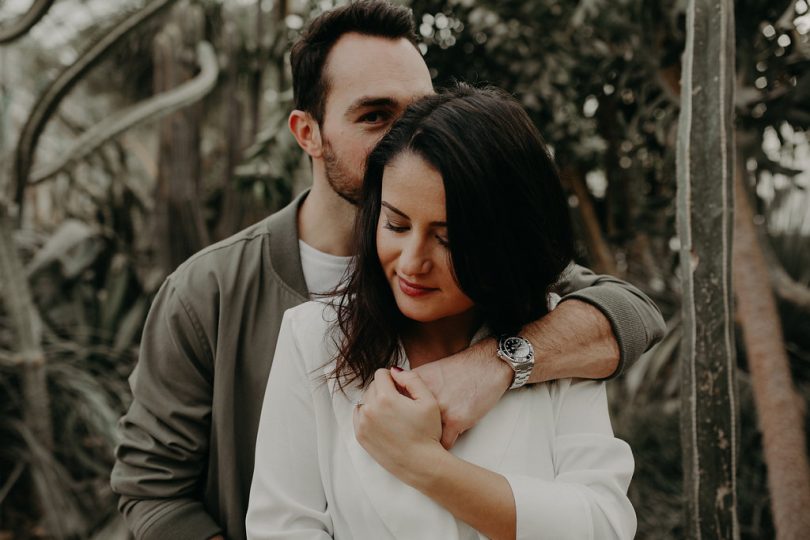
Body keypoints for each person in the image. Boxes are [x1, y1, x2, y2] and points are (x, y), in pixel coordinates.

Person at [111, 2, 664, 540]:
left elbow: (629, 314)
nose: (409, 135)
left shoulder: (498, 269)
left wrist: (496, 363)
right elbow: (155, 492)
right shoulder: (209, 293)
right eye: (376, 115)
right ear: (307, 132)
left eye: (421, 108)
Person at [246, 85, 636, 540]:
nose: (412, 262)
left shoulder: (555, 337)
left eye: (447, 238)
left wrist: (423, 465)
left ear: (506, 239)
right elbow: (282, 529)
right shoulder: (312, 338)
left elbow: (603, 525)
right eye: (395, 224)